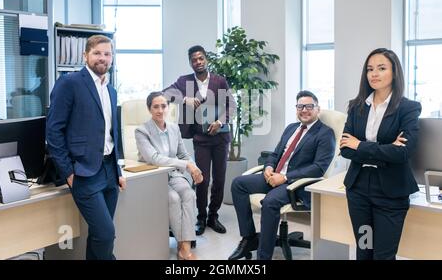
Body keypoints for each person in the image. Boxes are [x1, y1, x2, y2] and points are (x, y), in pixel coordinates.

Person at [229, 90, 335, 260]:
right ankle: (249, 238)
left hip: (295, 184)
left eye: (309, 106)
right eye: (300, 106)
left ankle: (263, 258)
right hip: (274, 177)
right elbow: (275, 153)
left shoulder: (325, 133)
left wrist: (285, 177)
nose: (304, 110)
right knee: (238, 184)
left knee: (270, 202)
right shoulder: (291, 128)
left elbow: (318, 168)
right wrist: (269, 167)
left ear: (318, 109)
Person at [46, 35, 126, 260]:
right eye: (97, 53)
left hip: (109, 170)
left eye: (107, 54)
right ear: (85, 56)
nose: (103, 58)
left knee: (99, 235)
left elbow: (113, 134)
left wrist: (118, 170)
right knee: (107, 233)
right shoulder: (70, 83)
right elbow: (54, 131)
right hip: (83, 172)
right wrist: (68, 172)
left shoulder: (111, 90)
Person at [340, 48, 421, 260]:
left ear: (394, 73)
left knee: (383, 256)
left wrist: (361, 145)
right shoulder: (356, 106)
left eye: (381, 68)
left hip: (390, 193)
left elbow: (402, 153)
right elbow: (345, 149)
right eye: (370, 69)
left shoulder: (408, 108)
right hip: (358, 191)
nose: (374, 74)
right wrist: (385, 149)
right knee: (364, 250)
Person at [164, 45, 235, 235]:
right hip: (200, 138)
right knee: (201, 179)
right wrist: (184, 98)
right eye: (194, 60)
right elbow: (165, 94)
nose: (198, 62)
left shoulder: (220, 81)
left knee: (219, 179)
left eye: (201, 58)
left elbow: (231, 107)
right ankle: (201, 217)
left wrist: (220, 122)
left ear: (206, 60)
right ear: (190, 63)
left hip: (220, 138)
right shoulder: (184, 81)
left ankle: (213, 216)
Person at [135, 91, 204, 260]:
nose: (160, 110)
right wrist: (186, 165)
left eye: (163, 106)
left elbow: (183, 154)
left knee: (188, 193)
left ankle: (184, 246)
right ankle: (185, 248)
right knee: (173, 198)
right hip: (154, 177)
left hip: (173, 174)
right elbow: (154, 158)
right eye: (155, 107)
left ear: (168, 108)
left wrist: (194, 167)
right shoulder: (141, 131)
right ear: (149, 109)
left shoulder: (174, 128)